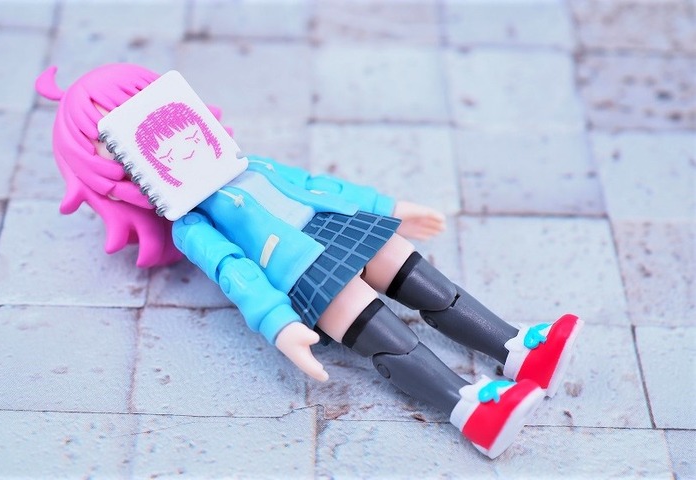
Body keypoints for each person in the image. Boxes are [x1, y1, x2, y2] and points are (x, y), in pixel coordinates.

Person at [36, 63, 583, 459]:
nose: (171, 145)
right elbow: (234, 272)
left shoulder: (249, 164)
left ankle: (517, 348)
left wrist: (385, 206)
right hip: (300, 269)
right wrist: (278, 323)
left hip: (335, 223)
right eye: (122, 142)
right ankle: (468, 407)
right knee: (385, 332)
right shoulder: (191, 224)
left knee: (423, 278)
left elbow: (317, 185)